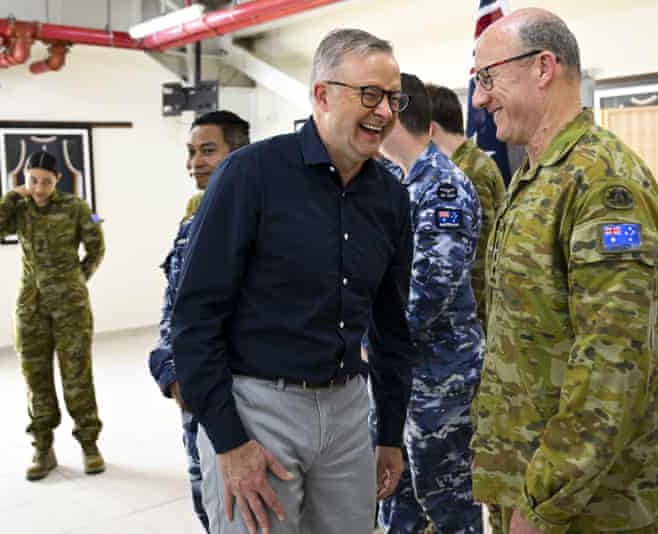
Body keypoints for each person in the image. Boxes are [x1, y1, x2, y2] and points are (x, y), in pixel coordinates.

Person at [170, 28, 415, 534]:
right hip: (258, 411)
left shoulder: (391, 199)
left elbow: (391, 329)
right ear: (322, 94)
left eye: (393, 98)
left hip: (348, 414)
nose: (385, 112)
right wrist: (229, 441)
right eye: (370, 94)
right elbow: (194, 318)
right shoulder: (250, 176)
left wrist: (389, 431)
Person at [468, 8, 658, 534]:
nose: (479, 99)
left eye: (487, 78)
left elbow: (611, 365)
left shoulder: (602, 183)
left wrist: (543, 503)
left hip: (584, 507)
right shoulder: (537, 175)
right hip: (527, 483)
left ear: (542, 68)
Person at [376, 72, 484, 533]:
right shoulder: (390, 180)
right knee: (396, 502)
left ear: (395, 110)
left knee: (446, 505)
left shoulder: (443, 186)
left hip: (440, 381)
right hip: (399, 378)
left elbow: (432, 288)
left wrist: (376, 340)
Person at [148, 110, 250, 531]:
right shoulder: (192, 221)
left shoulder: (261, 222)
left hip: (241, 397)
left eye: (208, 151)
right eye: (191, 152)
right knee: (207, 503)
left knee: (243, 508)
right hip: (194, 392)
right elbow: (174, 307)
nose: (196, 162)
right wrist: (169, 370)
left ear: (239, 153)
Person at [0, 150, 106, 481]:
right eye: (32, 181)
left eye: (45, 181)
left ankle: (89, 444)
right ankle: (43, 447)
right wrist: (12, 196)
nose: (39, 188)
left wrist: (77, 279)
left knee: (77, 377)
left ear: (57, 180)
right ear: (24, 180)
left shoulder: (76, 207)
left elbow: (96, 246)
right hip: (31, 307)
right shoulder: (20, 208)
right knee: (35, 378)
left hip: (71, 307)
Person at [426, 83, 505, 334]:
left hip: (474, 318)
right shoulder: (469, 162)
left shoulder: (467, 171)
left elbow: (478, 254)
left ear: (430, 129)